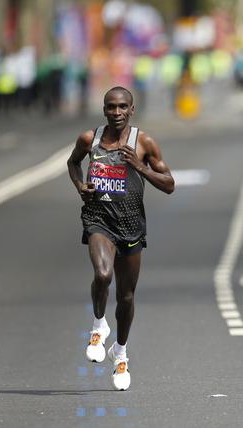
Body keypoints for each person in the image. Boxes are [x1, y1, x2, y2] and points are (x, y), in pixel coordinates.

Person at [67, 86, 175, 391]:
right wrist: (79, 186)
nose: (116, 113)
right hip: (99, 219)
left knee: (126, 297)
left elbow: (169, 184)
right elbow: (73, 163)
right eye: (111, 107)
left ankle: (121, 352)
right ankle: (98, 326)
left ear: (131, 110)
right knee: (102, 274)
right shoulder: (90, 139)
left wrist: (139, 167)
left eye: (122, 107)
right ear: (104, 110)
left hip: (131, 224)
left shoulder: (144, 142)